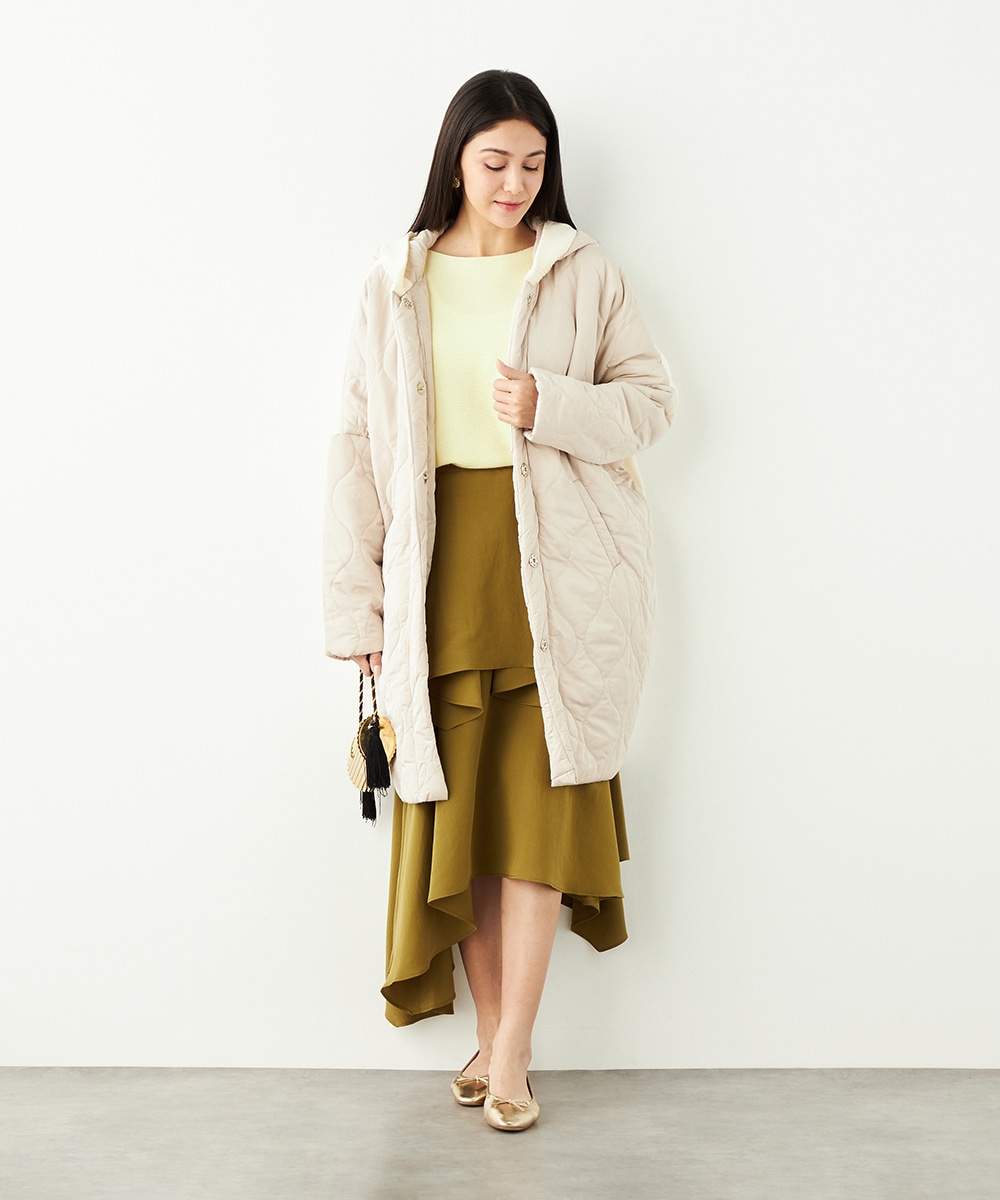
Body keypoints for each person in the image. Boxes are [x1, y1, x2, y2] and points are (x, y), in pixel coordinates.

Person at [322, 69, 676, 1132]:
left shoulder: (582, 270)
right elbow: (356, 448)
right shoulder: (395, 281)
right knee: (465, 824)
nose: (515, 183)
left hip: (559, 572)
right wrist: (356, 609)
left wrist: (547, 403)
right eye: (494, 162)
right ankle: (492, 1035)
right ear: (455, 163)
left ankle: (512, 1052)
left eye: (531, 163)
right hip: (437, 571)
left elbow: (651, 406)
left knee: (536, 820)